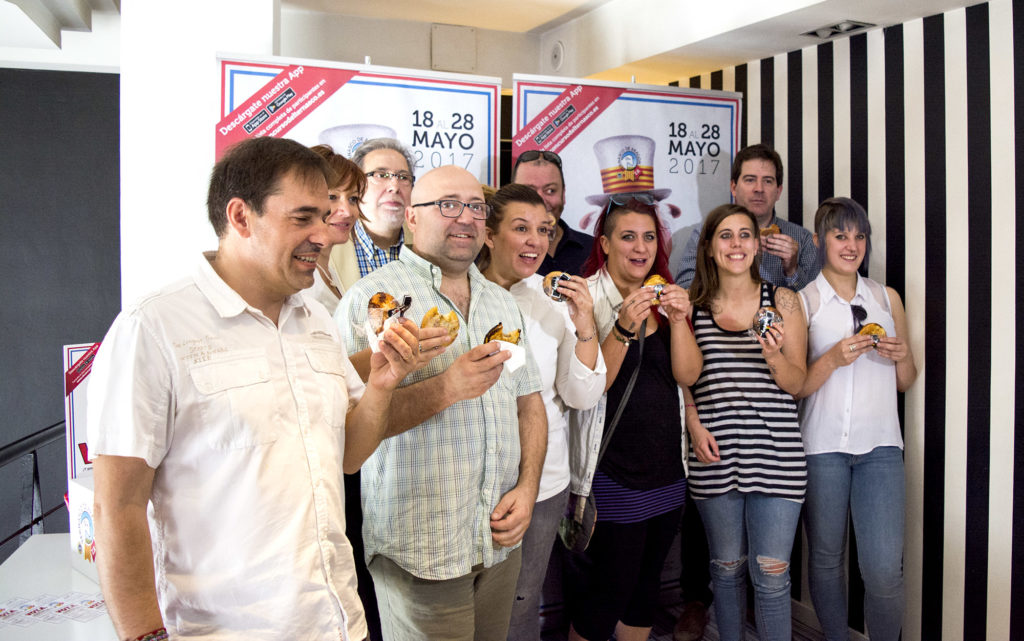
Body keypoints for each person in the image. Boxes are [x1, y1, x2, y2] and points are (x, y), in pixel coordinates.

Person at [87, 137, 422, 641]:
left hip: (337, 623)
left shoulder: (314, 320)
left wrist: (380, 387)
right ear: (241, 217)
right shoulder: (153, 327)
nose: (325, 235)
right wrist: (144, 636)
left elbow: (347, 456)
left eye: (327, 214)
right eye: (303, 217)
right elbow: (118, 505)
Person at [336, 165, 548, 641]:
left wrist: (529, 486)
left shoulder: (500, 302)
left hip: (497, 542)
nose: (466, 218)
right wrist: (447, 387)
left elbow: (528, 403)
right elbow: (348, 433)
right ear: (411, 217)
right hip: (420, 551)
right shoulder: (373, 300)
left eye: (476, 207)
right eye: (448, 205)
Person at [566, 194, 703, 641]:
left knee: (646, 593)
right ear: (604, 244)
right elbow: (589, 388)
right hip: (611, 472)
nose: (640, 247)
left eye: (648, 236)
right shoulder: (583, 298)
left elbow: (687, 375)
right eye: (628, 236)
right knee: (604, 592)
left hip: (667, 470)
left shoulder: (666, 298)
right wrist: (623, 326)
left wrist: (680, 320)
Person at [475, 183, 607, 641]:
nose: (536, 240)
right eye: (521, 228)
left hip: (542, 482)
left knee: (521, 602)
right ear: (489, 235)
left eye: (544, 230)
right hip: (470, 477)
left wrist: (585, 323)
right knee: (460, 605)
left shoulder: (555, 301)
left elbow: (582, 395)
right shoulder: (457, 294)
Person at [795, 197, 917, 641]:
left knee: (884, 569)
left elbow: (905, 381)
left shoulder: (887, 297)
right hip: (822, 447)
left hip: (881, 449)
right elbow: (795, 385)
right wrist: (831, 358)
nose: (851, 245)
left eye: (859, 236)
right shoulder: (802, 302)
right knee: (826, 560)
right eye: (840, 235)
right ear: (818, 240)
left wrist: (904, 356)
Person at [685, 203, 808, 641]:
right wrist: (694, 423)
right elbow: (685, 379)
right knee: (726, 572)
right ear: (710, 247)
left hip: (776, 455)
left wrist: (773, 355)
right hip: (715, 455)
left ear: (758, 246)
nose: (736, 244)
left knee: (772, 578)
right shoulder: (694, 308)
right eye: (725, 235)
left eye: (744, 235)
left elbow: (798, 383)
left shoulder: (785, 300)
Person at [673, 144, 819, 291]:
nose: (759, 189)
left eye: (768, 181)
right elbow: (684, 289)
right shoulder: (707, 233)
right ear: (733, 187)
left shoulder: (802, 239)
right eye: (750, 180)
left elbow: (815, 306)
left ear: (778, 191)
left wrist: (792, 271)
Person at [327, 137, 417, 289]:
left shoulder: (427, 245)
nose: (394, 186)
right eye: (381, 175)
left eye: (403, 177)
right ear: (357, 184)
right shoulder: (327, 245)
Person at [512, 149, 595, 274]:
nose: (540, 201)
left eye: (550, 190)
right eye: (529, 191)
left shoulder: (594, 250)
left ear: (563, 195)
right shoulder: (494, 252)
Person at [306, 144, 365, 313]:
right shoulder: (297, 279)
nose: (347, 211)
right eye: (332, 197)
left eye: (353, 199)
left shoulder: (328, 271)